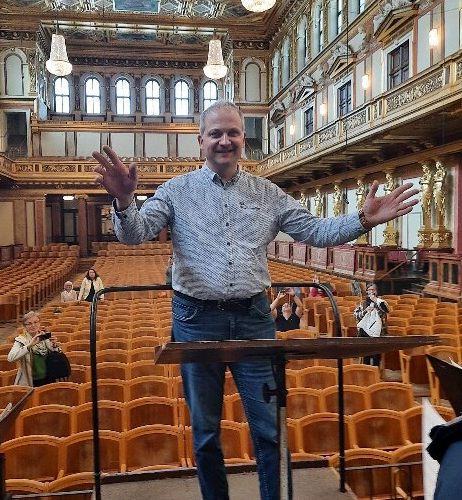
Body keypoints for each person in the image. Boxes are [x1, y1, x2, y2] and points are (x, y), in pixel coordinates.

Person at [92, 100, 418, 500]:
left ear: (244, 139)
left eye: (232, 133)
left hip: (254, 316)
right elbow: (135, 233)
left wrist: (363, 220)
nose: (224, 141)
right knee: (206, 432)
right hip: (196, 319)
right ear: (201, 142)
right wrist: (126, 202)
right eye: (216, 133)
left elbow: (315, 231)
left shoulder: (268, 194)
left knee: (267, 428)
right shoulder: (175, 192)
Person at [7, 310, 61, 387]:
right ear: (24, 326)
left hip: (49, 377)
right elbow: (10, 358)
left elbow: (56, 354)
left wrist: (54, 345)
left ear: (39, 323)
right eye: (29, 323)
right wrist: (29, 346)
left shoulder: (44, 336)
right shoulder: (21, 340)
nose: (33, 325)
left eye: (36, 322)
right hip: (31, 381)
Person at [353, 283, 390, 366]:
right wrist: (365, 311)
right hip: (365, 333)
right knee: (366, 354)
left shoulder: (380, 302)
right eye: (370, 290)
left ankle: (375, 372)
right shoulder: (363, 304)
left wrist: (375, 300)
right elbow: (356, 315)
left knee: (376, 355)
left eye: (373, 290)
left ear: (376, 292)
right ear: (367, 292)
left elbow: (387, 310)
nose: (372, 291)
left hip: (377, 333)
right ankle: (367, 371)